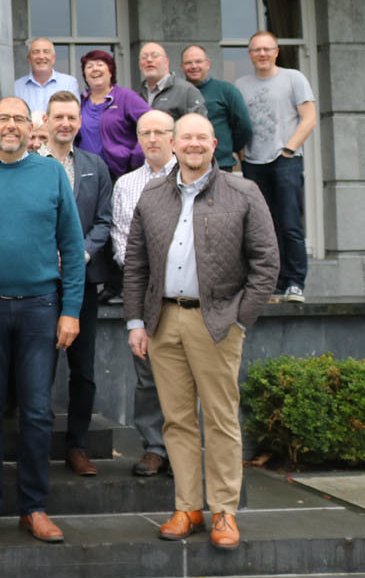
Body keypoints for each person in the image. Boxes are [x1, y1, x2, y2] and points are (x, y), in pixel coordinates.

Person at [124, 113, 278, 550]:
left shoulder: (243, 191)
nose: (192, 144)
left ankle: (224, 511)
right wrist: (137, 321)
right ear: (173, 144)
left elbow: (267, 264)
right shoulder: (153, 194)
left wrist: (240, 318)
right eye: (185, 137)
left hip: (217, 321)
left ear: (214, 144)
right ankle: (187, 506)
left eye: (201, 138)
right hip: (163, 322)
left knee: (221, 418)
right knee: (176, 419)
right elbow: (135, 264)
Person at [0, 97, 84, 544]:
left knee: (38, 413)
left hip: (40, 308)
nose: (10, 125)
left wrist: (70, 310)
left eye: (18, 119)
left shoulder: (50, 174)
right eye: (2, 118)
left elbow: (72, 244)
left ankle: (34, 507)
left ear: (33, 126)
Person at [41, 91, 116, 476]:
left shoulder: (95, 165)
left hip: (82, 281)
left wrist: (80, 253)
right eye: (59, 117)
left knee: (82, 369)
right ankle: (34, 445)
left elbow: (105, 220)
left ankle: (77, 445)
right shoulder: (30, 164)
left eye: (72, 117)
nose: (66, 124)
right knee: (37, 366)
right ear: (46, 120)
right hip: (37, 282)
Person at [110, 109, 179, 477]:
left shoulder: (191, 178)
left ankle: (182, 450)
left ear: (174, 137)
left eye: (159, 132)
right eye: (145, 133)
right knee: (148, 375)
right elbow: (122, 241)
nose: (152, 139)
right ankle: (154, 447)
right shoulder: (126, 185)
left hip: (189, 292)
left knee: (189, 376)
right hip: (145, 292)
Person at [235, 30, 317, 303]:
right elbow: (238, 123)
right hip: (254, 165)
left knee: (290, 224)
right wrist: (241, 153)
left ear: (276, 52)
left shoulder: (293, 78)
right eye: (256, 50)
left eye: (267, 49)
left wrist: (288, 150)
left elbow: (309, 118)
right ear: (250, 54)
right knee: (263, 227)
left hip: (285, 162)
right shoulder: (241, 84)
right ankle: (274, 282)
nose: (262, 54)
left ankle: (295, 282)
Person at [79, 49, 151, 181]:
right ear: (85, 75)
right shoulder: (81, 102)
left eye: (100, 65)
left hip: (118, 174)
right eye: (89, 66)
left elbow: (152, 122)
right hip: (87, 174)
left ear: (110, 71)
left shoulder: (126, 97)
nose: (95, 69)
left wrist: (136, 158)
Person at [180, 45, 251, 172]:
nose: (194, 66)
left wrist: (227, 147)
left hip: (220, 164)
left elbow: (244, 126)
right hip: (184, 165)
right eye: (188, 63)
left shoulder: (226, 90)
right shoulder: (177, 92)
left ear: (208, 64)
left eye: (198, 61)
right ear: (182, 67)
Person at [134, 42, 207, 120]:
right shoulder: (136, 94)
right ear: (139, 65)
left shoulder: (186, 91)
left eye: (154, 56)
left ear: (166, 62)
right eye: (144, 57)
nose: (149, 60)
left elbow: (198, 127)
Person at [14, 37, 78, 115]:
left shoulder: (69, 83)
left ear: (54, 58)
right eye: (36, 52)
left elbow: (73, 114)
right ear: (29, 59)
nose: (41, 56)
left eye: (46, 52)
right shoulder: (17, 87)